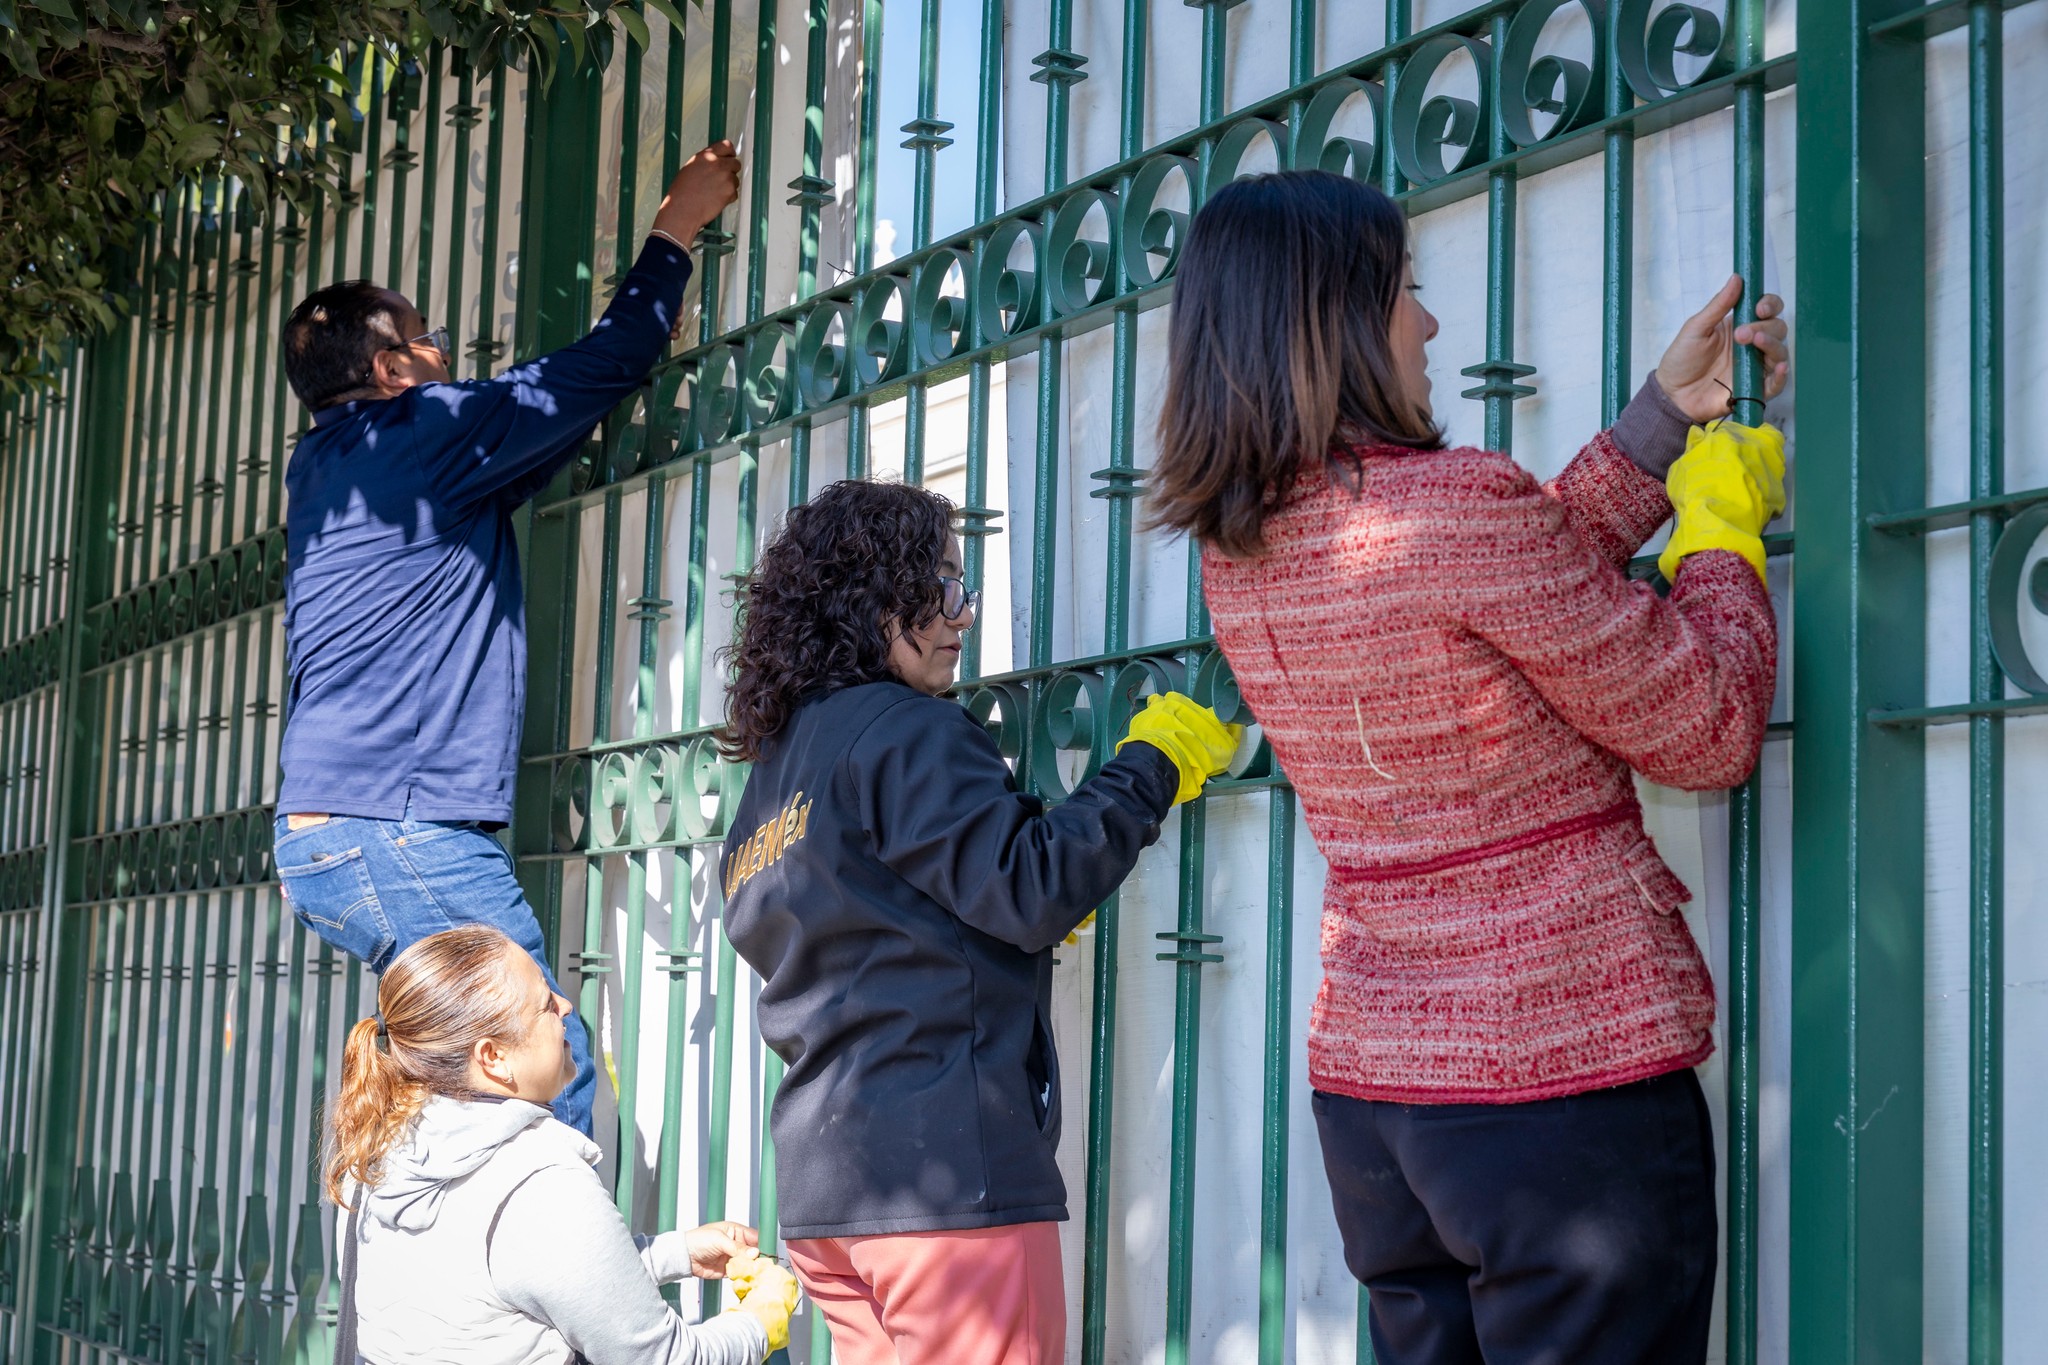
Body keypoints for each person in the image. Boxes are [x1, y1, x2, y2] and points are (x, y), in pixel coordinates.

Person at [1147, 171, 1790, 1365]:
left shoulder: (1236, 544)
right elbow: (1703, 726)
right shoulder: (1448, 509)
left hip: (1383, 1110)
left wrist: (1658, 420)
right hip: (1558, 1078)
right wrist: (1719, 532)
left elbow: (1497, 588)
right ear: (1335, 321)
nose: (1428, 325)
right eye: (1407, 293)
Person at [272, 140, 743, 1137]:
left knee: (448, 1099)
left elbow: (526, 450)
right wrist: (677, 227)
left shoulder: (329, 470)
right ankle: (571, 1292)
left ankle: (434, 1287)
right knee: (543, 1067)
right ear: (392, 369)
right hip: (399, 831)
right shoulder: (424, 433)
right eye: (429, 340)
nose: (450, 351)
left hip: (334, 838)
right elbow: (593, 370)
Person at [713, 479, 1238, 1365]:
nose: (963, 614)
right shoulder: (908, 729)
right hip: (947, 1187)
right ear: (877, 600)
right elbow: (1030, 887)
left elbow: (872, 917)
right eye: (945, 586)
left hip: (828, 1196)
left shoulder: (775, 777)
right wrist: (1154, 762)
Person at [325, 923, 801, 1364]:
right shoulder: (538, 1182)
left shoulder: (381, 1149)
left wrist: (675, 1253)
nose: (566, 1005)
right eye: (545, 1003)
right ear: (493, 1057)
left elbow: (493, 1283)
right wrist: (760, 1320)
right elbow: (664, 1358)